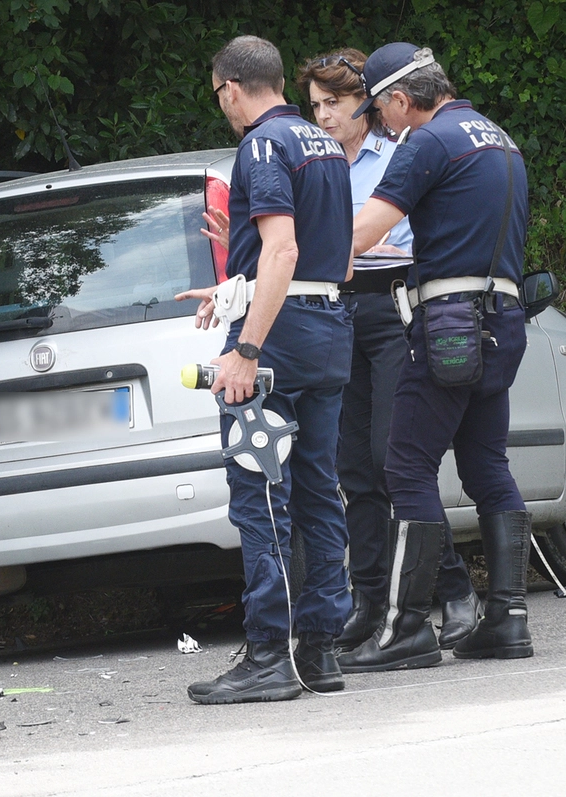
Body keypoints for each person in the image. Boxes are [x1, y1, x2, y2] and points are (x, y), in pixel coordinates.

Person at [176, 35, 355, 704]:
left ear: (228, 86)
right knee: (316, 493)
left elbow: (280, 252)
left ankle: (267, 656)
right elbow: (324, 264)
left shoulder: (259, 145)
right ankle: (319, 650)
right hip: (327, 333)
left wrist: (244, 348)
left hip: (274, 346)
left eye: (217, 92)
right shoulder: (323, 145)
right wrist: (234, 283)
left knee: (260, 498)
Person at [344, 43, 533, 667]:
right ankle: (507, 619)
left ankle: (406, 632)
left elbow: (365, 232)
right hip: (503, 322)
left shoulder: (427, 141)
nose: (380, 125)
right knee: (486, 467)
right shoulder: (498, 138)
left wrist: (288, 257)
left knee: (405, 468)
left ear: (401, 99)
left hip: (450, 326)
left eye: (378, 111)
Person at [294, 50, 482, 661]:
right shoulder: (314, 163)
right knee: (352, 468)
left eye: (334, 104)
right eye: (314, 105)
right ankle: (370, 601)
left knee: (391, 459)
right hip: (339, 308)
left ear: (366, 106)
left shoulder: (404, 152)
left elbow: (391, 234)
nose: (322, 117)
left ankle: (453, 590)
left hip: (395, 304)